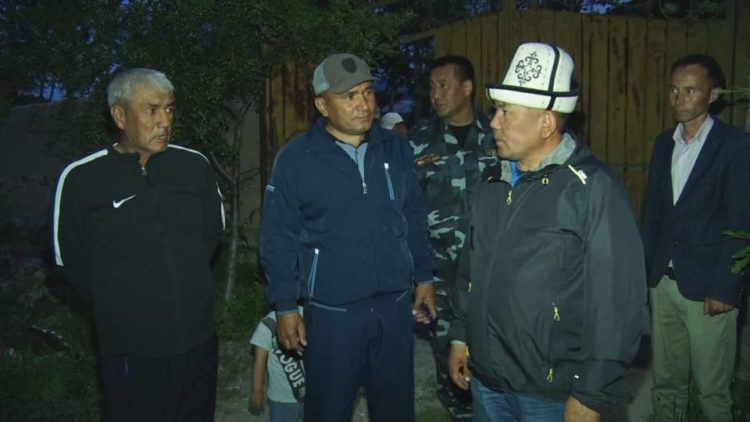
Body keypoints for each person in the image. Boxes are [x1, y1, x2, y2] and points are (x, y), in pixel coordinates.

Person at [447, 42, 646, 421]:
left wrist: (591, 392)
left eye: (506, 112)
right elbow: (470, 269)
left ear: (546, 123)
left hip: (551, 394)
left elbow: (617, 302)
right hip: (486, 382)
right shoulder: (491, 182)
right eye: (496, 110)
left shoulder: (591, 189)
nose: (494, 122)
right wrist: (461, 334)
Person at [259, 52, 436, 422]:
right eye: (349, 96)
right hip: (332, 314)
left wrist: (424, 276)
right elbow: (278, 236)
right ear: (322, 105)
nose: (364, 104)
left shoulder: (394, 148)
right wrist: (286, 305)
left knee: (396, 411)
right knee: (327, 410)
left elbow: (413, 215)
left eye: (368, 92)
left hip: (393, 307)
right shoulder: (297, 158)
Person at [53, 68, 225, 421]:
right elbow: (69, 261)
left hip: (198, 339)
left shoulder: (194, 166)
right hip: (132, 348)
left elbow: (211, 236)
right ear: (120, 116)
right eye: (152, 110)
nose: (165, 121)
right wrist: (122, 305)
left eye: (170, 109)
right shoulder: (83, 179)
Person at [642, 53, 750, 421]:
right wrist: (646, 275)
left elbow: (742, 224)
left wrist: (726, 288)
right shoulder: (664, 144)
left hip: (708, 289)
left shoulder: (736, 146)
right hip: (663, 283)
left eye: (690, 90)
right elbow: (653, 215)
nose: (679, 99)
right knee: (666, 382)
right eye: (674, 90)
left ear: (713, 94)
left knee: (711, 391)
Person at [408, 54, 498, 420]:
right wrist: (420, 276)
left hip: (493, 272)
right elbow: (408, 212)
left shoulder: (499, 133)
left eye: (444, 85)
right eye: (432, 87)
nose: (436, 94)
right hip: (441, 276)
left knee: (496, 354)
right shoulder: (418, 141)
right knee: (448, 357)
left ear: (467, 87)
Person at [249, 309, 305, 422]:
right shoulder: (268, 325)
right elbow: (259, 361)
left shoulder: (309, 314)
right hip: (281, 398)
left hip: (312, 392)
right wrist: (257, 391)